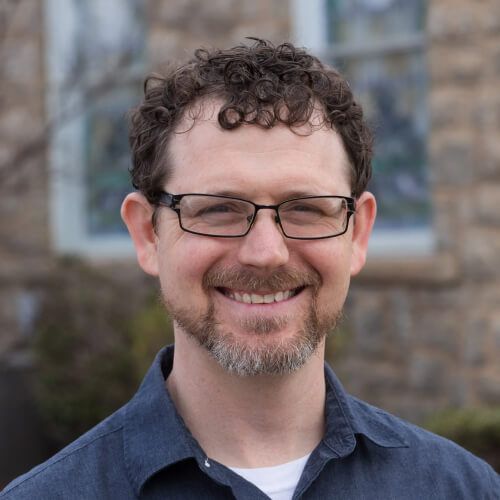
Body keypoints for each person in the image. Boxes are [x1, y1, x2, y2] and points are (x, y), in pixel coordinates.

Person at [2, 38, 499, 500]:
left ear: (358, 233)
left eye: (306, 208)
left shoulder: (461, 488)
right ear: (147, 234)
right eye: (218, 209)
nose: (266, 252)